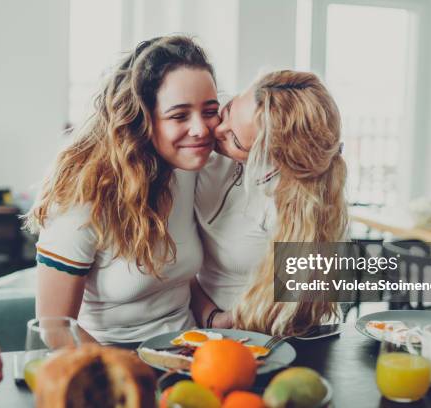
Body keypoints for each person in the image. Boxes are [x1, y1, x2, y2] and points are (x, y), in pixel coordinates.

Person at [23, 36, 220, 343]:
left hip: (192, 351)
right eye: (179, 116)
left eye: (210, 110)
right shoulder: (85, 194)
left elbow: (174, 279)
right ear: (140, 120)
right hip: (109, 362)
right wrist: (127, 375)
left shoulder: (192, 165)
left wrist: (214, 318)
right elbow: (54, 328)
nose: (201, 129)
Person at [192, 70, 347, 335]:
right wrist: (205, 314)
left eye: (236, 141)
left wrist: (222, 320)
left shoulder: (293, 206)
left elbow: (290, 312)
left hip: (266, 335)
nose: (216, 130)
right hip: (205, 327)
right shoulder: (207, 130)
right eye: (228, 111)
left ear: (275, 158)